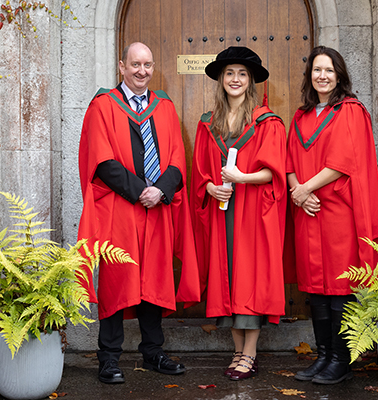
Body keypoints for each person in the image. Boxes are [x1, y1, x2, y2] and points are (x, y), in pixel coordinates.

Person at [77, 42, 200, 384]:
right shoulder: (103, 105)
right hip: (120, 208)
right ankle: (110, 356)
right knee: (118, 279)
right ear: (122, 66)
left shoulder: (163, 107)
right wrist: (139, 191)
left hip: (156, 209)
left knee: (154, 279)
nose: (142, 71)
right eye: (135, 65)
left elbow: (177, 159)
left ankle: (152, 351)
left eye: (147, 64)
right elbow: (101, 162)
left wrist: (160, 190)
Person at [286, 46, 378, 385]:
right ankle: (323, 355)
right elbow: (288, 162)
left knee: (339, 286)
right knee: (315, 288)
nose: (323, 76)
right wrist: (297, 190)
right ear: (309, 76)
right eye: (317, 70)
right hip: (308, 212)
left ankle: (341, 360)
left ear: (339, 75)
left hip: (337, 213)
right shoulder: (301, 116)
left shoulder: (349, 111)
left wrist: (305, 190)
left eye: (329, 70)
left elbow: (342, 162)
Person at [190, 46, 287, 381]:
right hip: (222, 211)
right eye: (230, 73)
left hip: (251, 212)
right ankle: (236, 352)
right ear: (221, 79)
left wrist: (242, 178)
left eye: (242, 74)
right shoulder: (208, 124)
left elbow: (274, 173)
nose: (235, 79)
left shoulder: (267, 122)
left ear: (251, 81)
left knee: (249, 277)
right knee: (225, 277)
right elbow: (200, 173)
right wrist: (209, 188)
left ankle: (250, 354)